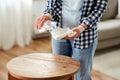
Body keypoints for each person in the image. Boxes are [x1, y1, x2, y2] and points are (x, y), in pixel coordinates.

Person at [35, 0, 108, 80]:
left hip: (84, 35)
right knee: (60, 72)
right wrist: (48, 15)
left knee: (82, 76)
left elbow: (99, 9)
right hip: (59, 32)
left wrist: (81, 28)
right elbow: (52, 2)